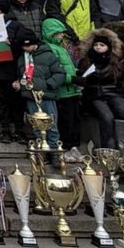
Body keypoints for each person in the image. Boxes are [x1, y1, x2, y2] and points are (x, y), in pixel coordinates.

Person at [14, 29, 65, 163]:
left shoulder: (48, 55)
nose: (26, 48)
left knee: (51, 124)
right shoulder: (22, 58)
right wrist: (19, 83)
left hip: (46, 95)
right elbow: (22, 76)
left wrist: (47, 85)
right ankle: (41, 151)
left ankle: (54, 151)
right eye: (23, 46)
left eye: (28, 45)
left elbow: (60, 74)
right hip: (30, 95)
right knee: (36, 125)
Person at [0, 0, 30, 144]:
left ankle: (19, 130)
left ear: (2, 8)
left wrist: (14, 43)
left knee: (17, 103)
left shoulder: (16, 25)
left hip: (12, 71)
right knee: (0, 103)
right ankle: (5, 131)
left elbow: (27, 43)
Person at [43, 18, 82, 160]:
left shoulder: (62, 47)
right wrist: (72, 78)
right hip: (62, 92)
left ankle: (73, 147)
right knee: (66, 122)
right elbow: (55, 72)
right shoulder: (50, 48)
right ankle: (64, 148)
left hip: (72, 91)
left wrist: (77, 72)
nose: (62, 36)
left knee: (74, 121)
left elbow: (67, 66)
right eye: (59, 33)